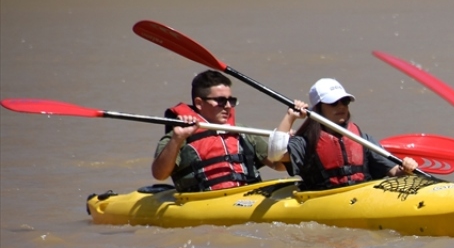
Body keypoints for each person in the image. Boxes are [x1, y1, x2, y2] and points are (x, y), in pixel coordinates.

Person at [269, 78, 417, 191]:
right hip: (325, 199)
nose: (341, 106)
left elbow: (394, 172)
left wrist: (405, 169)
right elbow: (276, 155)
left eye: (344, 101)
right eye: (333, 103)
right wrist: (290, 117)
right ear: (318, 108)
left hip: (362, 195)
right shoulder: (306, 142)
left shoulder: (361, 139)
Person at [151, 70, 283, 192]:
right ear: (199, 103)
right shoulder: (179, 135)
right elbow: (159, 174)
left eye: (231, 100)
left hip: (248, 196)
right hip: (205, 201)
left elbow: (280, 165)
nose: (227, 106)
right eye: (221, 101)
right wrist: (177, 139)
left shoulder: (243, 132)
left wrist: (291, 121)